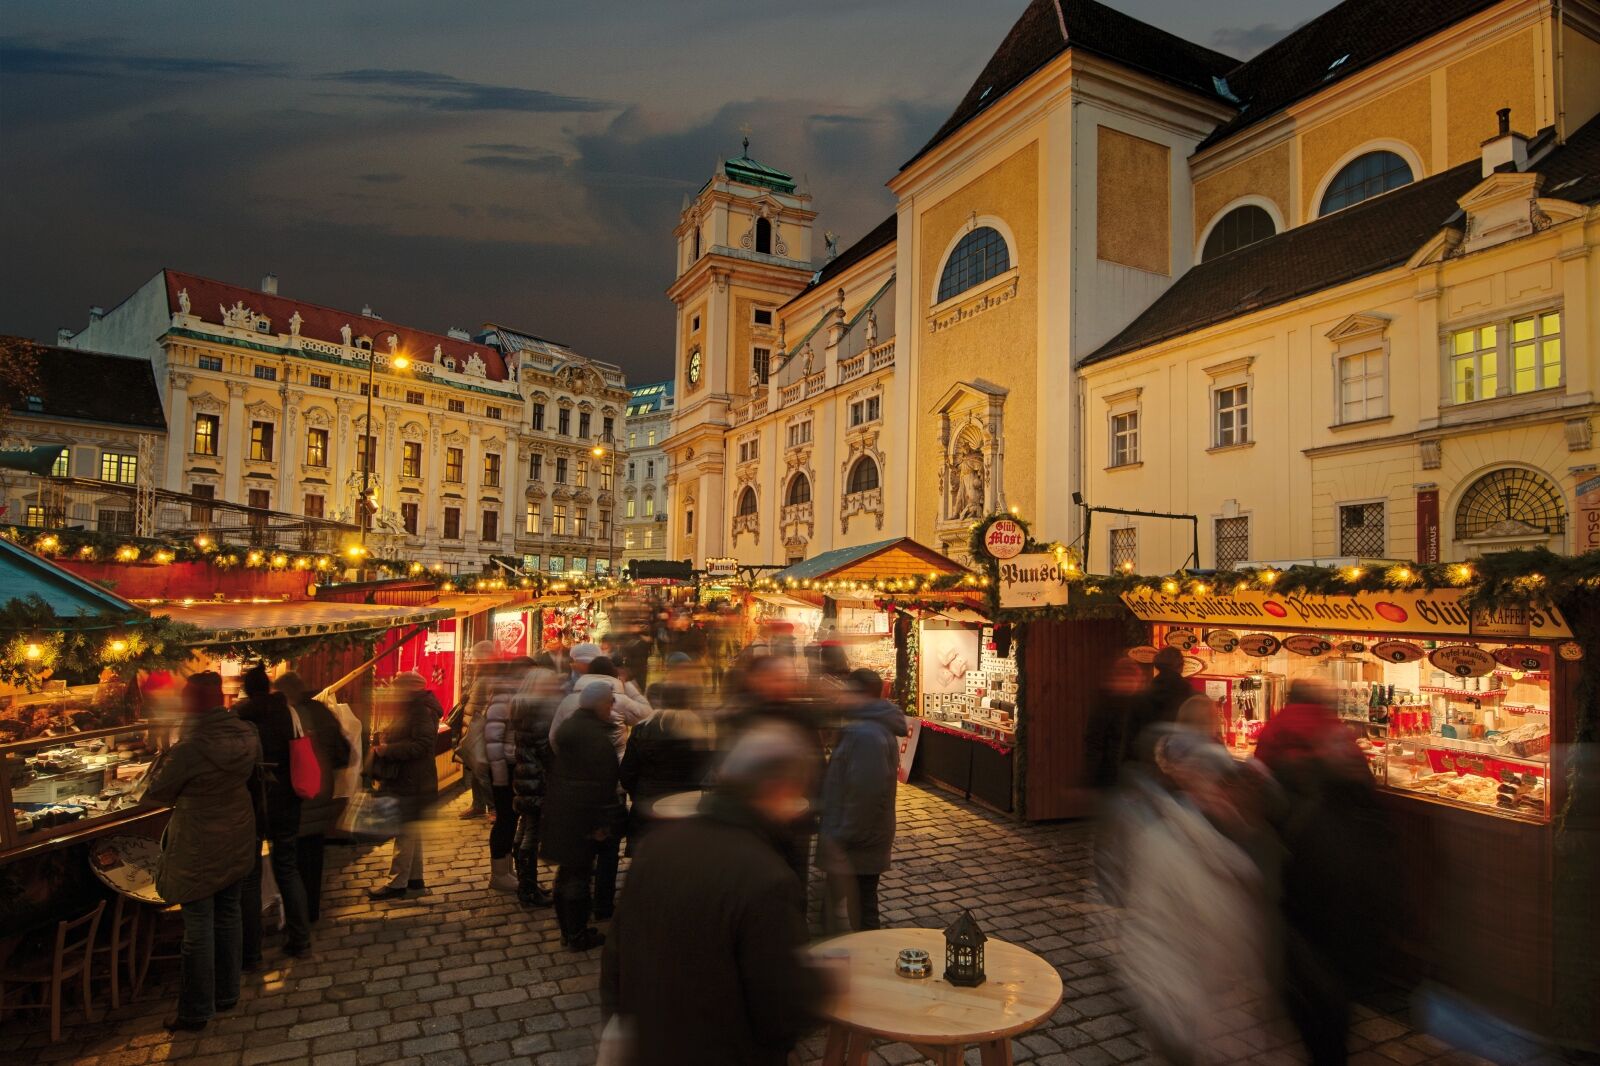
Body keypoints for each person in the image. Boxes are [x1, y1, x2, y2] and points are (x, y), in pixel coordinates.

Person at [600, 723, 827, 1064]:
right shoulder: (766, 877)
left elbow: (616, 960)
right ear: (777, 789)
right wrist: (824, 986)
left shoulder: (659, 847)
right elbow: (779, 1009)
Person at [1255, 679, 1391, 1066]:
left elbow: (1261, 769)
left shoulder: (1279, 725)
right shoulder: (1332, 733)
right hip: (1338, 915)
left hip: (1299, 883)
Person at [141, 672, 260, 1032]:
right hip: (237, 832)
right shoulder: (247, 733)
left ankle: (195, 1010)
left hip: (198, 843)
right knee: (228, 915)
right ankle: (227, 993)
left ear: (198, 702)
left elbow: (156, 793)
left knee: (198, 927)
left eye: (187, 697)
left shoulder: (191, 747)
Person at [724, 654, 825, 907]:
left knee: (793, 880)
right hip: (751, 821)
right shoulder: (741, 714)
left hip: (797, 817)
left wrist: (813, 801)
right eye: (776, 678)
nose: (783, 684)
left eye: (787, 678)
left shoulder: (801, 714)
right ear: (757, 680)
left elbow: (816, 762)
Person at [816, 668, 907, 933]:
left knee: (863, 910)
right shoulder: (863, 727)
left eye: (847, 691)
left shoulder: (865, 733)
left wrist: (843, 836)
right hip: (856, 837)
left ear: (862, 695)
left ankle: (861, 958)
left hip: (857, 841)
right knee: (844, 905)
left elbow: (865, 792)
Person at [234, 664, 311, 965]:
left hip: (252, 803)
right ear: (267, 686)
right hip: (287, 800)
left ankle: (251, 953)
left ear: (246, 689)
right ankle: (300, 940)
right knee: (288, 869)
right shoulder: (287, 711)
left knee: (250, 877)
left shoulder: (240, 716)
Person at [543, 683, 622, 950]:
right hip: (582, 815)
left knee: (568, 872)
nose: (612, 706)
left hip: (564, 811)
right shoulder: (595, 738)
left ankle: (569, 929)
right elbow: (601, 784)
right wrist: (600, 823)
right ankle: (576, 934)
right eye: (610, 701)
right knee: (578, 875)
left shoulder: (573, 728)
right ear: (600, 704)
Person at [275, 671, 352, 925]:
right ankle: (312, 911)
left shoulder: (291, 716)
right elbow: (343, 751)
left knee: (292, 861)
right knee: (313, 856)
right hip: (323, 790)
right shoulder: (320, 710)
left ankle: (299, 919)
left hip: (300, 795)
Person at [367, 672, 443, 901]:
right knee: (411, 831)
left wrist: (387, 750)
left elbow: (422, 744)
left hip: (413, 778)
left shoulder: (420, 709)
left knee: (405, 830)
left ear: (410, 688)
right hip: (414, 778)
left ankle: (397, 882)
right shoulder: (414, 707)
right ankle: (415, 880)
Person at [619, 686, 711, 842]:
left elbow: (627, 771)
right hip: (684, 806)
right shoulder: (699, 730)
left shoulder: (642, 729)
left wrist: (639, 793)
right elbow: (705, 769)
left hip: (647, 804)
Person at [511, 655, 561, 907]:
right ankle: (528, 889)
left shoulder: (522, 707)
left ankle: (526, 884)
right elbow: (546, 749)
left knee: (524, 831)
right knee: (531, 835)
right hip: (537, 781)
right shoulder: (538, 712)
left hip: (525, 779)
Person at [482, 658, 525, 893]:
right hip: (504, 769)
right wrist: (500, 778)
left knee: (510, 820)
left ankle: (506, 869)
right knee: (505, 820)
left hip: (511, 767)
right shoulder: (503, 699)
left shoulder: (514, 697)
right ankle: (499, 874)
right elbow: (494, 742)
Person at [1084, 658, 1147, 790]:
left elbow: (1093, 745)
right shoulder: (1130, 706)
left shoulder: (1106, 704)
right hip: (1116, 781)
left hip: (1114, 780)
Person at [1126, 646, 1193, 764]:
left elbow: (1132, 732)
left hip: (1149, 757)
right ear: (1180, 666)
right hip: (1176, 759)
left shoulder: (1146, 691)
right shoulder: (1187, 692)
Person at [457, 640, 498, 820]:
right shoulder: (480, 674)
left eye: (478, 658)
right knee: (474, 766)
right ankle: (478, 804)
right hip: (472, 725)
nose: (475, 661)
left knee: (481, 767)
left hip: (480, 726)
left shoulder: (491, 675)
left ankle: (493, 807)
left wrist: (483, 719)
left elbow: (491, 701)